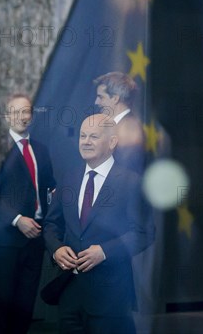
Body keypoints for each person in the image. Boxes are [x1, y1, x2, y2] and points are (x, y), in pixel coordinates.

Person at [43, 114, 155, 333]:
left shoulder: (131, 183)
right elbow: (50, 225)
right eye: (83, 136)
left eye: (93, 136)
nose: (85, 141)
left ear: (112, 142)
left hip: (111, 298)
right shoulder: (69, 178)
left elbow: (144, 233)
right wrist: (56, 249)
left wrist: (105, 251)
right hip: (69, 294)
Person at [0, 93, 55, 334]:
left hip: (36, 239)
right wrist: (17, 220)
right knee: (1, 305)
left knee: (25, 306)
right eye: (16, 112)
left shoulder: (42, 150)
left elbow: (49, 187)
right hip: (6, 240)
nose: (22, 117)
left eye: (26, 112)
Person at [94, 72, 146, 174]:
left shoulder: (129, 131)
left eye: (101, 97)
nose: (96, 102)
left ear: (115, 98)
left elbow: (126, 174)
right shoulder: (117, 127)